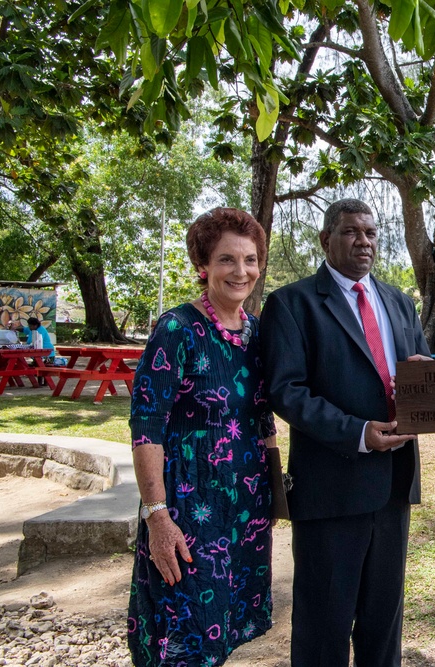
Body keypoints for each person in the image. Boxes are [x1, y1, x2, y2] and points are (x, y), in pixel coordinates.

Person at [258, 198, 431, 667]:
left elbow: (420, 372)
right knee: (323, 627)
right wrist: (357, 432)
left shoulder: (398, 301)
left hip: (394, 485)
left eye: (372, 233)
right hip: (331, 489)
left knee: (383, 623)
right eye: (352, 232)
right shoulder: (291, 303)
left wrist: (429, 383)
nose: (364, 242)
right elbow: (286, 391)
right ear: (326, 239)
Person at [127, 207, 279, 666]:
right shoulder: (177, 329)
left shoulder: (256, 333)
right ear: (204, 266)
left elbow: (264, 419)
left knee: (225, 628)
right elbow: (145, 426)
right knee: (185, 630)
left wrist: (274, 495)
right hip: (189, 508)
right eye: (227, 260)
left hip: (245, 505)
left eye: (250, 260)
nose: (241, 271)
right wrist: (158, 518)